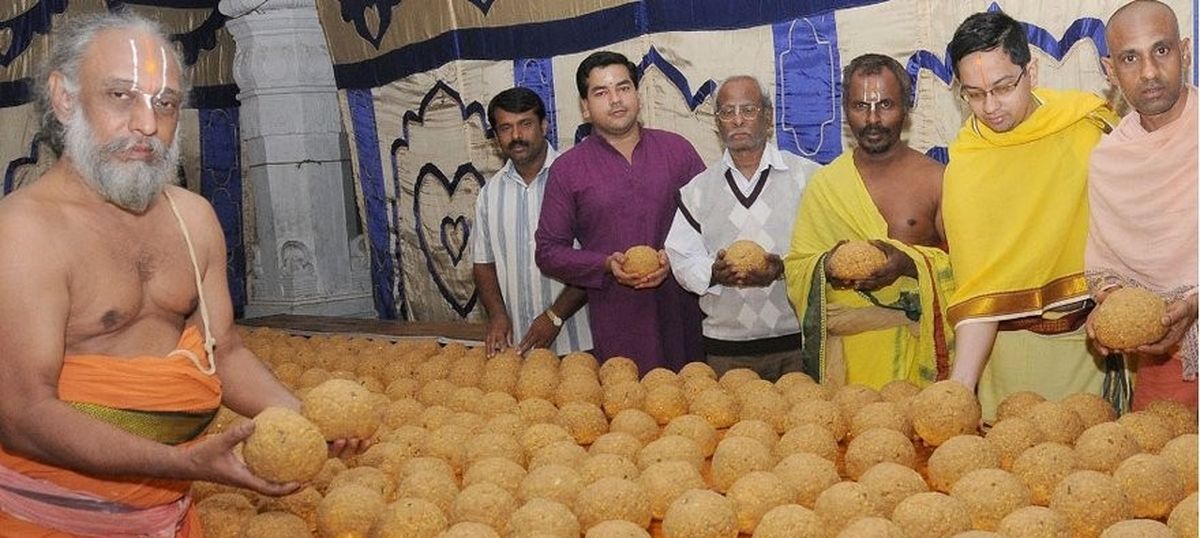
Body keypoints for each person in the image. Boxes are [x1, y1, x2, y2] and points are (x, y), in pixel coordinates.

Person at [0, 12, 358, 535]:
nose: (148, 124)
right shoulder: (23, 233)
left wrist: (303, 418)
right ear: (64, 98)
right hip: (46, 518)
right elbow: (23, 414)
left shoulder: (193, 219)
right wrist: (183, 464)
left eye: (165, 103)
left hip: (169, 516)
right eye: (121, 96)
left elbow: (225, 351)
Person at [941, 11, 1118, 420]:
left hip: (1089, 347)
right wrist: (959, 391)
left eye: (1003, 87)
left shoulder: (1087, 126)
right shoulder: (967, 166)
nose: (990, 106)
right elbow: (980, 290)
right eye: (974, 94)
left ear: (1031, 71)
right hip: (1007, 354)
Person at [784, 54, 955, 390]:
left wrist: (910, 264)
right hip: (848, 365)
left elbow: (966, 269)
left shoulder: (938, 179)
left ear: (906, 108)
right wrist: (827, 266)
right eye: (860, 106)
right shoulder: (826, 185)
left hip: (917, 360)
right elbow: (798, 266)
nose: (873, 118)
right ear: (846, 112)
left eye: (886, 105)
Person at [536, 51, 706, 373]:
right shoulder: (568, 170)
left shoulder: (678, 151)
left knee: (693, 411)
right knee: (627, 413)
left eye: (623, 88)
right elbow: (548, 252)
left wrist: (676, 257)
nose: (615, 100)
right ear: (585, 107)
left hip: (682, 318)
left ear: (637, 96)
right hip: (619, 324)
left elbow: (710, 224)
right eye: (601, 92)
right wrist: (605, 264)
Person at [664, 76, 819, 381]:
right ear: (716, 122)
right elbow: (680, 257)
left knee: (808, 425)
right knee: (732, 428)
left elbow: (827, 249)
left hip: (798, 343)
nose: (737, 120)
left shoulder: (808, 178)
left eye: (748, 110)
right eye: (726, 111)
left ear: (768, 116)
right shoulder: (697, 190)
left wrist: (783, 268)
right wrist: (713, 272)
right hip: (727, 351)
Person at [1085, 0, 1196, 410]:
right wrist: (1113, 306)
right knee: (1158, 465)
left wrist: (1195, 303)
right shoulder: (1109, 160)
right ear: (1111, 71)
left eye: (1161, 50)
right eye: (1130, 58)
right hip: (1165, 359)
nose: (1149, 72)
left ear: (1185, 52)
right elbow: (1106, 268)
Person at [473, 87, 593, 357]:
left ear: (544, 125)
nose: (516, 136)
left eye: (525, 124)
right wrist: (497, 315)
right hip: (517, 348)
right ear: (496, 137)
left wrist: (555, 316)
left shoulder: (579, 178)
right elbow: (483, 264)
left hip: (579, 345)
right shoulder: (489, 194)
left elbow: (594, 260)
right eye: (505, 128)